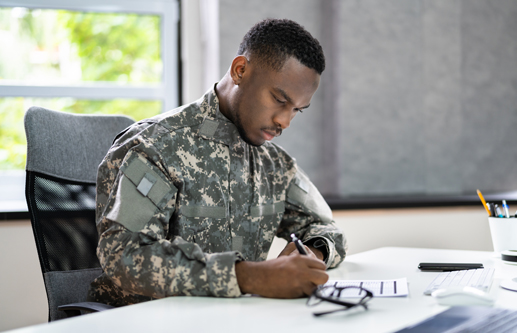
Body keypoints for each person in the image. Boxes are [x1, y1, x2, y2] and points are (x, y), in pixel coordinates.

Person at [88, 18, 347, 306]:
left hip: (235, 321)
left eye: (298, 110)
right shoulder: (155, 147)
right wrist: (252, 277)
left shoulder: (275, 165)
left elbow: (327, 229)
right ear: (240, 70)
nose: (284, 121)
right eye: (278, 99)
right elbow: (125, 256)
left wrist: (313, 252)